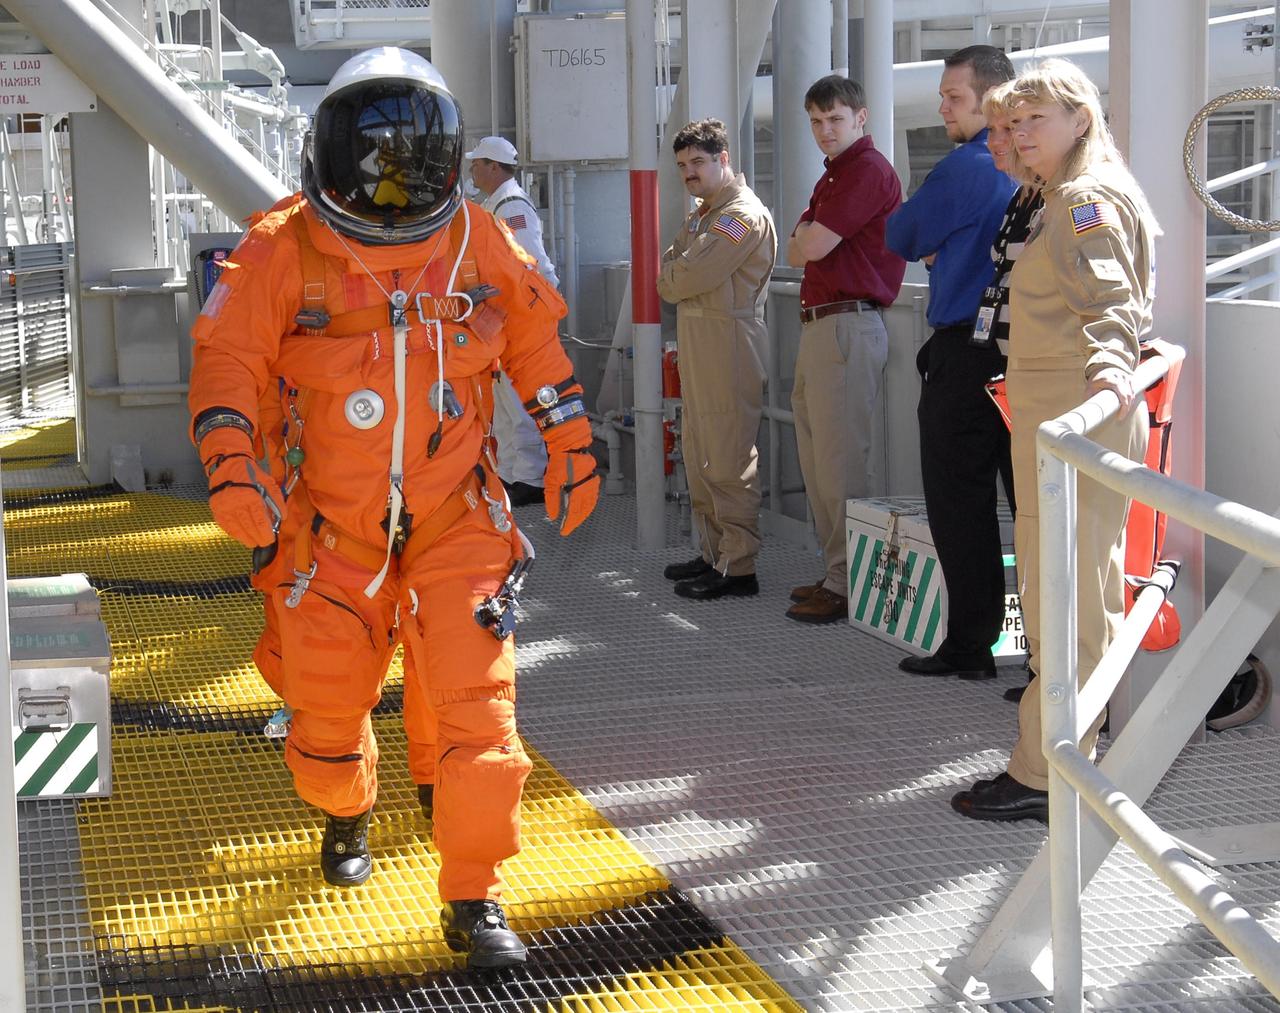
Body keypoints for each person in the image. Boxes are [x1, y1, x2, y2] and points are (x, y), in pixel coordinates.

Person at [187, 48, 600, 967]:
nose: (391, 181)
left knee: (477, 711)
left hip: (458, 518)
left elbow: (534, 336)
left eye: (412, 158)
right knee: (326, 719)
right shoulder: (280, 246)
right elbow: (230, 364)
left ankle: (474, 894)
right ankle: (349, 809)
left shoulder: (475, 238)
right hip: (332, 530)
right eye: (374, 156)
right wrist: (229, 461)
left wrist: (570, 434)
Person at [951, 58, 1153, 822]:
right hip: (1049, 416)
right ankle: (1057, 760)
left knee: (1065, 602)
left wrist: (1106, 383)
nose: (1017, 134)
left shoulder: (1084, 202)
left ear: (1080, 120)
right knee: (1060, 595)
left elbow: (1112, 306)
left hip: (1075, 417)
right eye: (1009, 124)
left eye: (1033, 120)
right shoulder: (1054, 197)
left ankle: (1047, 775)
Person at [886, 45, 1017, 680]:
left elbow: (903, 235)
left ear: (993, 101)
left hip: (967, 354)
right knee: (1034, 510)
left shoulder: (967, 167)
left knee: (960, 501)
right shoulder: (1031, 173)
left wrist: (941, 248)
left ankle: (971, 646)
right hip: (1026, 357)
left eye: (953, 98)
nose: (942, 108)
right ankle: (1049, 665)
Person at [785, 75, 905, 624]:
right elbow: (798, 249)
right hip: (827, 327)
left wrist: (807, 233)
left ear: (861, 117)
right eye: (816, 121)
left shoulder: (865, 170)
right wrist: (806, 236)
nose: (824, 131)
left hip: (846, 326)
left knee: (840, 467)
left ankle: (851, 581)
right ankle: (838, 571)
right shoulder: (839, 173)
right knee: (819, 462)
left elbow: (807, 244)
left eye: (834, 119)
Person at [656, 118, 777, 600]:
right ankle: (713, 553)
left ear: (723, 160)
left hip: (729, 343)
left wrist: (677, 270)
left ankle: (739, 566)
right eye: (683, 165)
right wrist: (677, 269)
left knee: (727, 457)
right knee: (700, 452)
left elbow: (680, 278)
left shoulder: (738, 216)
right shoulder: (703, 215)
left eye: (699, 163)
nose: (690, 173)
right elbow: (673, 267)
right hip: (702, 343)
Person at [981, 83, 1048, 704]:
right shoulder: (1022, 198)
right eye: (1002, 128)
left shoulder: (1067, 203)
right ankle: (1041, 671)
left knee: (1053, 540)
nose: (1002, 140)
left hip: (1053, 392)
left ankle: (1057, 681)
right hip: (1015, 382)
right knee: (1028, 532)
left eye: (1017, 127)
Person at [465, 135, 558, 508]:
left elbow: (527, 264)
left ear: (492, 166)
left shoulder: (510, 207)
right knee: (503, 397)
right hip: (504, 313)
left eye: (476, 163)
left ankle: (532, 479)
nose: (471, 168)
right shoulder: (495, 204)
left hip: (518, 315)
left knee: (518, 397)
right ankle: (510, 472)